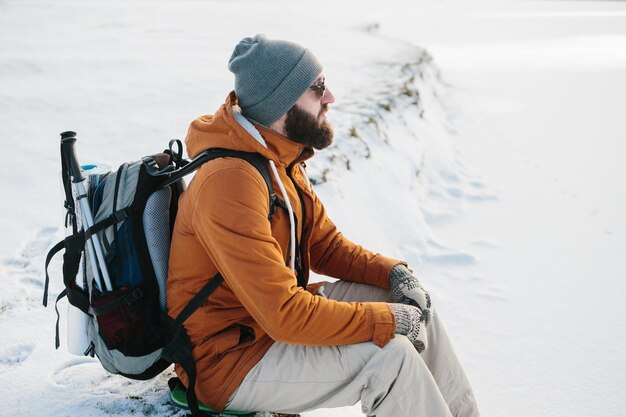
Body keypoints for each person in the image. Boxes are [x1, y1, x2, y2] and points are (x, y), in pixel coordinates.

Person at [167, 34, 479, 417]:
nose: (329, 97)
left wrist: (394, 274)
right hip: (228, 362)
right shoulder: (231, 182)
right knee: (389, 359)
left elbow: (327, 247)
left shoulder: (278, 159)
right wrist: (385, 322)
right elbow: (285, 313)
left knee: (410, 306)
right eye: (317, 89)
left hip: (263, 331)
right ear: (281, 103)